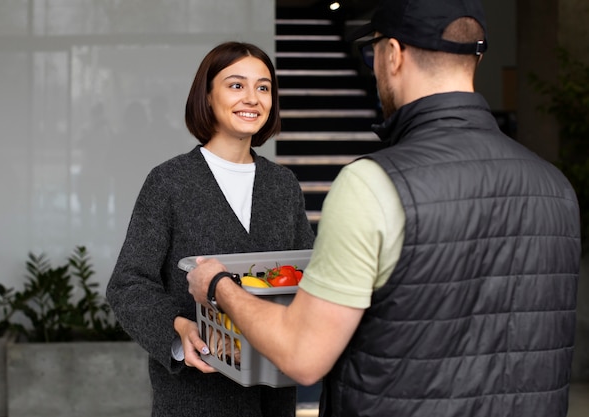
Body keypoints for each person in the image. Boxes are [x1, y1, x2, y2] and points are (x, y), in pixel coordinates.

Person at [185, 1, 582, 417]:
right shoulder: (555, 186)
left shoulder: (373, 184)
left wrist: (218, 286)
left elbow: (304, 356)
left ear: (392, 54)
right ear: (474, 57)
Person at [106, 42, 315, 417]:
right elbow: (128, 283)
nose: (252, 98)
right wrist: (178, 330)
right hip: (194, 399)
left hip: (274, 398)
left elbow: (306, 277)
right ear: (207, 96)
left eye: (263, 87)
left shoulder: (283, 186)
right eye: (236, 85)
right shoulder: (169, 182)